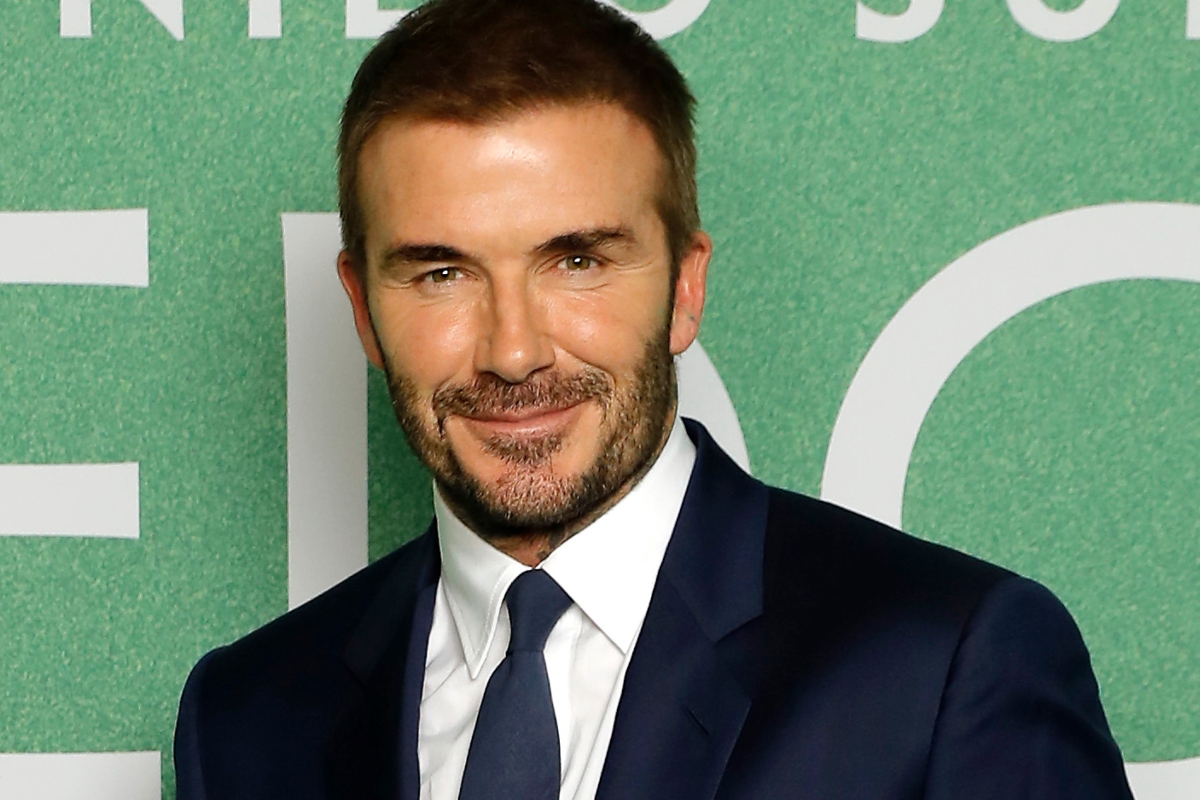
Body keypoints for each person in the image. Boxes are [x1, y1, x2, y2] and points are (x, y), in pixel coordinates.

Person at [174, 0, 1136, 798]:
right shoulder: (247, 719)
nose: (513, 351)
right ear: (362, 307)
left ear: (684, 286)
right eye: (441, 274)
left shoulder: (944, 666)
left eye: (577, 261)